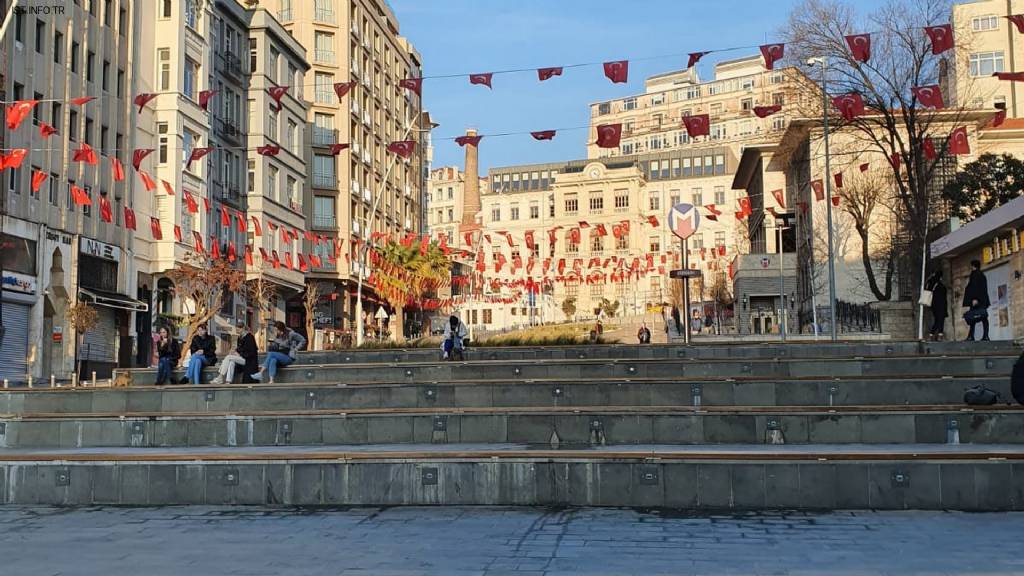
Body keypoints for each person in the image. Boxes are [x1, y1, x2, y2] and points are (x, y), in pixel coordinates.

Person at [211, 319, 258, 385]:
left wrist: (240, 354)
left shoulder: (250, 337)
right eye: (236, 329)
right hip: (242, 358)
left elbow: (252, 352)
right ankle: (228, 381)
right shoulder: (240, 337)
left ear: (243, 328)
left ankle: (220, 377)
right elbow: (240, 349)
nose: (237, 330)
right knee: (231, 362)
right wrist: (234, 351)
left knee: (229, 357)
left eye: (238, 329)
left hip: (249, 360)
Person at [962, 259, 990, 341]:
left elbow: (974, 287)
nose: (970, 267)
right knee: (983, 317)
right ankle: (985, 336)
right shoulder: (981, 274)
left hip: (977, 301)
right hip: (983, 300)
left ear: (973, 266)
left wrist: (975, 299)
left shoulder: (975, 274)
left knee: (972, 317)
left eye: (971, 265)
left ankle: (971, 336)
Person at [924, 270, 948, 341]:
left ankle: (931, 334)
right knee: (940, 319)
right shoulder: (940, 285)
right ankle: (940, 335)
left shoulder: (930, 283)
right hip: (941, 304)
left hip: (934, 305)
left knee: (937, 320)